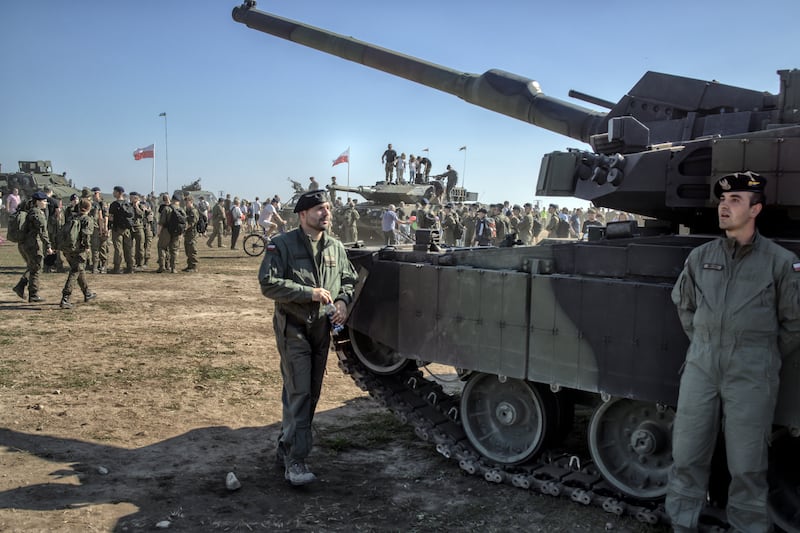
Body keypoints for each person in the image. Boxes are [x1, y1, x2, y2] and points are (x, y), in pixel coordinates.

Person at [666, 171, 800, 532]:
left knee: (748, 467)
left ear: (756, 209)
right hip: (702, 367)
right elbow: (685, 306)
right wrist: (707, 343)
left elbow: (794, 323)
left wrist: (761, 355)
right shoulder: (700, 257)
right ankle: (681, 525)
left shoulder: (781, 263)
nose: (724, 207)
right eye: (722, 201)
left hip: (752, 373)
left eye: (735, 201)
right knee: (686, 456)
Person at [258, 189, 357, 486]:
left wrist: (342, 301)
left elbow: (349, 279)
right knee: (300, 391)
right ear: (302, 215)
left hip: (321, 331)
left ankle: (285, 446)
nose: (325, 213)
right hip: (294, 328)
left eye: (327, 208)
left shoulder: (336, 247)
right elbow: (268, 283)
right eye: (318, 209)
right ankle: (296, 460)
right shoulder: (282, 245)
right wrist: (308, 293)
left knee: (308, 393)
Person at [13, 191, 53, 302]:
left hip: (25, 243)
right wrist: (48, 246)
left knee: (33, 266)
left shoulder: (30, 211)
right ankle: (33, 294)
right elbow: (42, 231)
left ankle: (21, 287)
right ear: (38, 202)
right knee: (36, 267)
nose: (46, 203)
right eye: (44, 201)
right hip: (32, 244)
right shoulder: (38, 214)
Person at [59, 199, 97, 309]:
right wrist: (87, 247)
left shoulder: (72, 217)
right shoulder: (87, 219)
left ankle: (87, 293)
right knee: (75, 272)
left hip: (68, 249)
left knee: (79, 270)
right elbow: (86, 235)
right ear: (88, 208)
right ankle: (65, 298)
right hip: (78, 250)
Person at [182, 195, 199, 272]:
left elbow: (192, 222)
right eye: (185, 202)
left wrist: (185, 228)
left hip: (192, 233)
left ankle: (194, 266)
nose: (185, 203)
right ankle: (189, 265)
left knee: (192, 249)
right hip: (187, 233)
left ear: (191, 202)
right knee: (187, 249)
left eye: (187, 202)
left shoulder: (193, 211)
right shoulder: (187, 210)